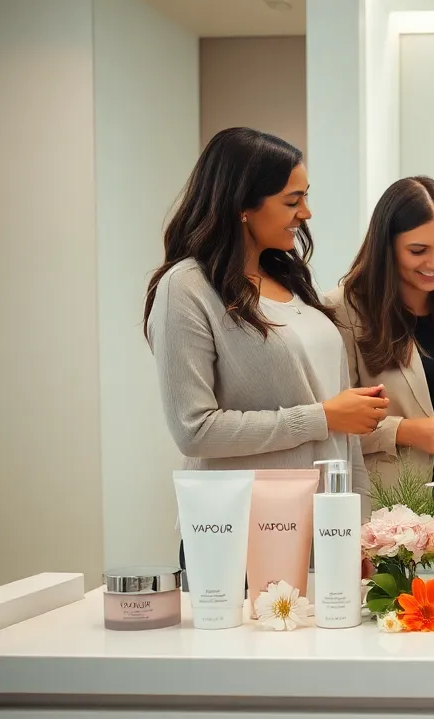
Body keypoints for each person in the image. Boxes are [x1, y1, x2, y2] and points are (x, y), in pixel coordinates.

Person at [145, 128, 385, 566]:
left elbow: (343, 432)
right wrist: (321, 417)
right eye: (292, 201)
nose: (306, 213)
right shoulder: (187, 289)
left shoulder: (291, 281)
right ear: (242, 205)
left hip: (322, 527)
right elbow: (194, 430)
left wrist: (358, 522)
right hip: (239, 530)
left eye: (305, 198)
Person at [328, 176, 434, 517]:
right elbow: (333, 423)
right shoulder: (345, 309)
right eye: (418, 251)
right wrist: (405, 431)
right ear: (386, 247)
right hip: (394, 511)